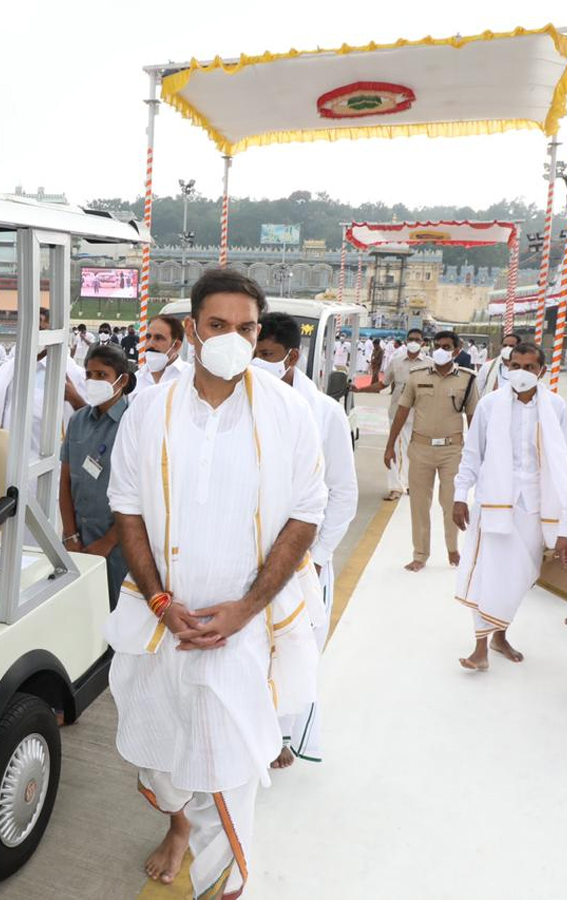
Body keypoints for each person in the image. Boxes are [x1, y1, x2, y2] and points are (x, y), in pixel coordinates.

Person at [105, 269, 325, 892]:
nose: (233, 337)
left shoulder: (289, 412)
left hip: (240, 630)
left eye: (247, 327)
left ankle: (222, 884)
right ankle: (177, 823)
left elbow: (307, 514)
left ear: (261, 333)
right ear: (192, 332)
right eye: (218, 326)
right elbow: (127, 508)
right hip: (158, 623)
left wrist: (247, 609)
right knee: (158, 754)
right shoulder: (149, 409)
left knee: (227, 773)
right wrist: (158, 600)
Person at [253, 313, 358, 767]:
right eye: (255, 352)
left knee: (296, 644)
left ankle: (283, 735)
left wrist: (316, 555)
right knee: (254, 644)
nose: (256, 362)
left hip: (304, 555)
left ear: (292, 357)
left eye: (267, 355)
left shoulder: (325, 414)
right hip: (253, 548)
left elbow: (344, 491)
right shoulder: (244, 399)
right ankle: (251, 727)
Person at [454, 343, 567, 670]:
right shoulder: (491, 405)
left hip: (536, 508)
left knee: (521, 577)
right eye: (516, 365)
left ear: (542, 372)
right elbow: (473, 453)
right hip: (494, 501)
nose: (521, 373)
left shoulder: (556, 407)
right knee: (488, 574)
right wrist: (459, 494)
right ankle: (480, 647)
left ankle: (499, 634)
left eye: (529, 367)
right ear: (507, 366)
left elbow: (566, 461)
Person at [384, 330, 478, 572]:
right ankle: (420, 554)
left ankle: (452, 548)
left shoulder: (467, 379)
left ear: (457, 351)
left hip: (452, 450)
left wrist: (478, 454)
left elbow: (473, 418)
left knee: (450, 502)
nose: (440, 350)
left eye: (446, 347)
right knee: (419, 504)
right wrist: (390, 445)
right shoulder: (417, 377)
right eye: (437, 345)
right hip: (421, 448)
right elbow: (402, 411)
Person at [61, 344, 134, 606]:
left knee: (117, 612)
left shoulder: (134, 422)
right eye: (89, 375)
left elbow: (143, 493)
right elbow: (66, 480)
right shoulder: (78, 420)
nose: (93, 381)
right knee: (80, 610)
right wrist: (70, 535)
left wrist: (108, 541)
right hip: (78, 541)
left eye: (102, 375)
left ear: (122, 380)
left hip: (119, 545)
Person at [0, 308, 88, 453]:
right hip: (6, 458)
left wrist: (75, 399)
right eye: (29, 328)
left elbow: (89, 419)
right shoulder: (9, 368)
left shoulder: (72, 374)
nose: (34, 334)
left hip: (45, 465)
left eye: (41, 328)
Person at [359, 328, 428, 501]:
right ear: (405, 342)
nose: (413, 342)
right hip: (397, 413)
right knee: (396, 449)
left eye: (417, 340)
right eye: (410, 339)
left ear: (423, 343)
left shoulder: (430, 364)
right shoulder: (396, 362)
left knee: (416, 452)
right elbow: (383, 384)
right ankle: (396, 487)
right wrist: (361, 388)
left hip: (421, 415)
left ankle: (413, 484)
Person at [138, 314, 188, 387]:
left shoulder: (191, 378)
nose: (150, 344)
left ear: (176, 345)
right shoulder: (138, 378)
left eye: (158, 338)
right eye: (148, 337)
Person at [476, 331, 522, 397]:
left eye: (511, 346)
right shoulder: (488, 366)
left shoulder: (524, 368)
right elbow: (478, 390)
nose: (507, 348)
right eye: (505, 345)